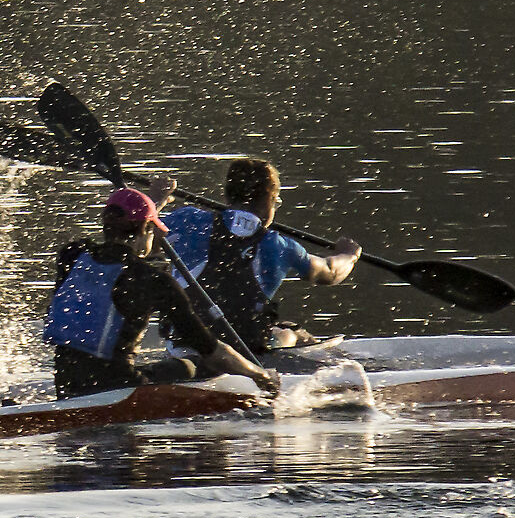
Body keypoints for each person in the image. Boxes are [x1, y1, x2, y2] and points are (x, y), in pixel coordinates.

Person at [45, 188, 280, 399]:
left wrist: (150, 205)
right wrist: (259, 374)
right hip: (118, 387)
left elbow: (115, 256)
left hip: (66, 385)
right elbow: (211, 350)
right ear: (147, 228)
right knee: (200, 365)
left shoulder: (72, 255)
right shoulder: (154, 281)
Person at [161, 158, 360, 353]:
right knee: (291, 333)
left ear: (229, 197)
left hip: (183, 344)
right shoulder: (278, 245)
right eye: (276, 202)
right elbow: (330, 272)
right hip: (245, 349)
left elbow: (140, 235)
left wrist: (156, 199)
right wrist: (349, 255)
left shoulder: (186, 220)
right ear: (269, 201)